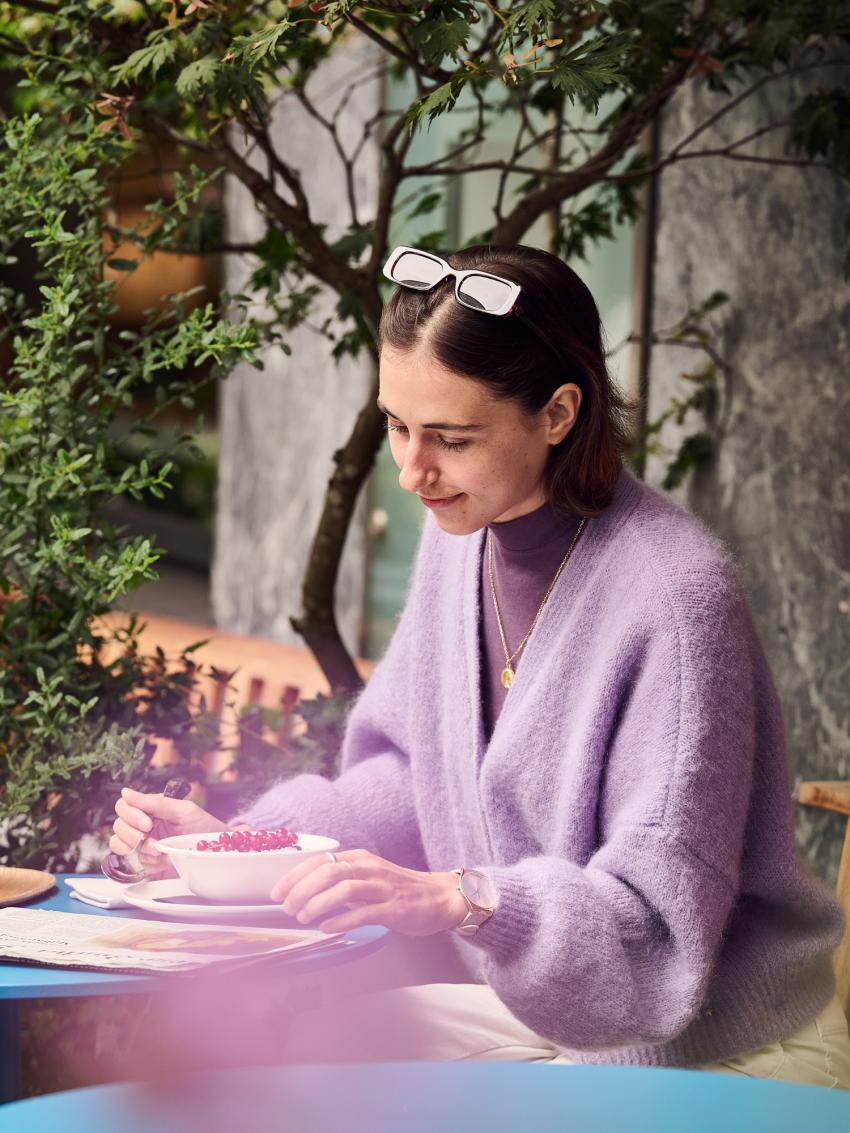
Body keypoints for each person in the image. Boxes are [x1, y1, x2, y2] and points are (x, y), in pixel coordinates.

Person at [110, 244, 850, 1086]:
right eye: (396, 424)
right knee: (291, 1055)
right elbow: (403, 774)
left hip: (721, 1047)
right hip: (549, 1017)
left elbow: (655, 933)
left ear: (560, 413)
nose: (411, 469)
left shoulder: (679, 599)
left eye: (451, 438)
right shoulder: (459, 539)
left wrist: (464, 897)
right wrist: (243, 845)